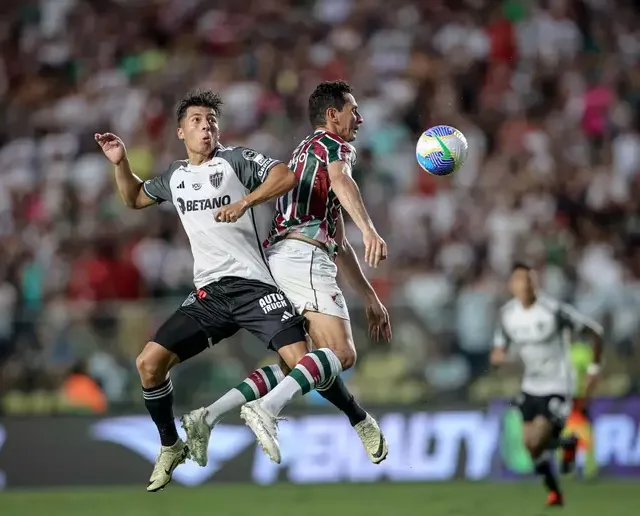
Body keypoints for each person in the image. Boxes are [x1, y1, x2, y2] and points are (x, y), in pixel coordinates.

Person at [95, 90, 337, 492]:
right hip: (209, 294)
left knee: (302, 363)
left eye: (211, 120)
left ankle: (284, 415)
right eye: (196, 121)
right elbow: (134, 197)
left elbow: (285, 176)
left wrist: (246, 202)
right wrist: (121, 164)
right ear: (180, 131)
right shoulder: (175, 177)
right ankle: (171, 445)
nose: (206, 126)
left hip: (254, 286)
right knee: (148, 365)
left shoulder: (235, 160)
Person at [233, 80, 391, 464]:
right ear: (332, 115)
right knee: (340, 352)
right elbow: (343, 179)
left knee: (298, 362)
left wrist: (370, 297)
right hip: (302, 255)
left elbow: (340, 243)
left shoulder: (305, 155)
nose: (361, 118)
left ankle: (207, 417)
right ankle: (267, 409)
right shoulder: (333, 147)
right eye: (354, 110)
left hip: (282, 258)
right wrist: (370, 227)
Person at [490, 262, 603, 507]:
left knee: (539, 437)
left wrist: (594, 369)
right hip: (530, 385)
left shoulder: (554, 311)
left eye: (530, 279)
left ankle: (564, 447)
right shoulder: (508, 314)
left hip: (559, 383)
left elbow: (595, 332)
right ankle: (556, 488)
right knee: (530, 446)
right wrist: (498, 356)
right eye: (520, 280)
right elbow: (501, 346)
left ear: (536, 282)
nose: (526, 285)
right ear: (512, 285)